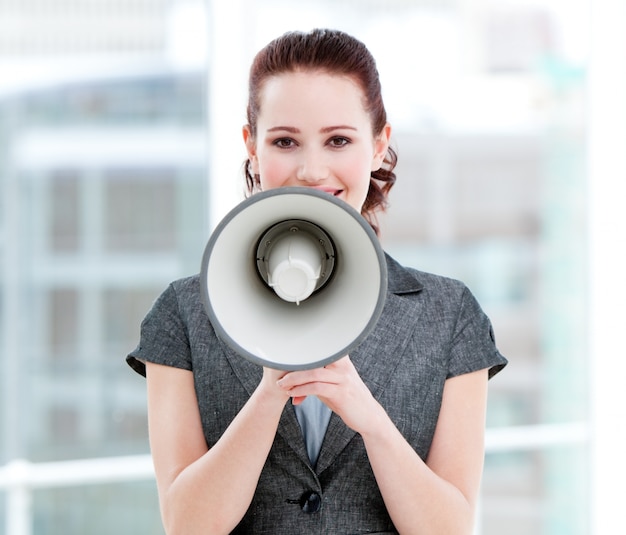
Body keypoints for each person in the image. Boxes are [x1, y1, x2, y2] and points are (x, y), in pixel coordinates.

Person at [127, 28, 507, 535]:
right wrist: (269, 395)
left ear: (378, 145)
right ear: (252, 148)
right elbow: (187, 525)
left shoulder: (449, 314)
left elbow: (450, 528)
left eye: (339, 140)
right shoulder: (184, 313)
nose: (311, 168)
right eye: (285, 141)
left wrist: (368, 416)